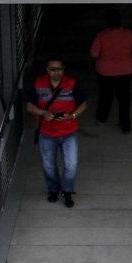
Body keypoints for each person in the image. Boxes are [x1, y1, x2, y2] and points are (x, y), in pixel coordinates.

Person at [27, 56, 86, 207]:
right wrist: (43, 113)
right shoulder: (39, 84)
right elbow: (30, 106)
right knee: (48, 165)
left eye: (59, 68)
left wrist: (71, 116)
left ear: (63, 70)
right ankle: (53, 190)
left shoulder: (73, 84)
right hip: (46, 133)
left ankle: (67, 191)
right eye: (53, 69)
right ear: (47, 70)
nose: (56, 72)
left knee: (71, 165)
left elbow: (83, 104)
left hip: (68, 132)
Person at [89, 8, 132, 133]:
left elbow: (94, 54)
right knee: (124, 98)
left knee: (105, 95)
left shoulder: (101, 36)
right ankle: (125, 124)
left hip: (105, 72)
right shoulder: (129, 34)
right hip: (126, 70)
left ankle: (102, 116)